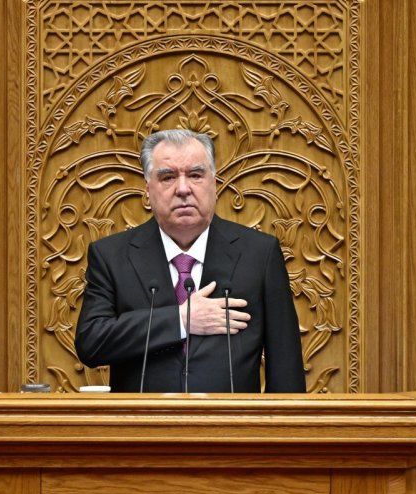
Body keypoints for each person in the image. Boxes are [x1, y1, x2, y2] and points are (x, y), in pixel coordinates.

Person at [75, 129, 306, 393]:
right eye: (168, 177)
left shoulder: (259, 254)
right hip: (142, 419)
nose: (183, 189)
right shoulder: (111, 255)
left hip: (233, 420)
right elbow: (91, 342)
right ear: (147, 190)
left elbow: (286, 368)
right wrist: (181, 320)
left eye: (195, 175)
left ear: (214, 184)